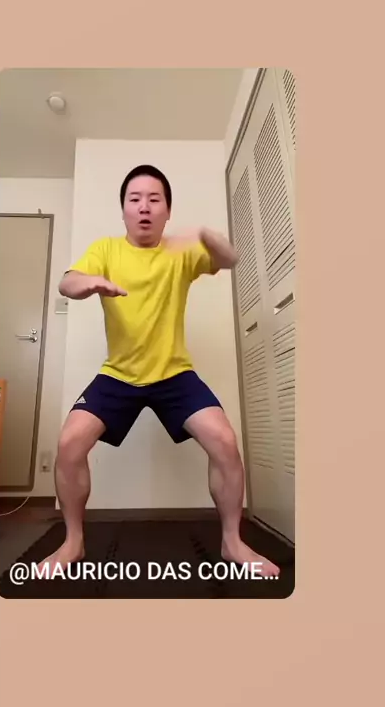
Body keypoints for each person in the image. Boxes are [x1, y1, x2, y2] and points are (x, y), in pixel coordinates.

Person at [42, 164, 279, 578]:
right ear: (123, 210)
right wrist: (91, 283)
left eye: (154, 199)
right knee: (69, 443)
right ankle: (73, 541)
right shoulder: (106, 250)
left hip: (174, 374)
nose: (144, 207)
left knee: (225, 441)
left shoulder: (180, 252)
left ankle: (232, 542)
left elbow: (230, 258)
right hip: (118, 374)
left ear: (167, 211)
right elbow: (67, 283)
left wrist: (203, 234)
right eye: (135, 199)